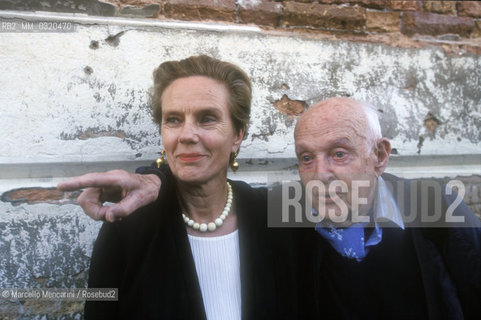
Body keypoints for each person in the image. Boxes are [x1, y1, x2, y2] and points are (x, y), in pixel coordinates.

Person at [60, 96, 481, 319]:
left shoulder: (434, 207)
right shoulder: (295, 211)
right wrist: (156, 179)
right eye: (305, 158)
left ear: (380, 155)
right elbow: (215, 190)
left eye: (339, 154)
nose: (321, 174)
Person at [68, 55, 312, 319]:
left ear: (238, 134)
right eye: (173, 119)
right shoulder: (128, 229)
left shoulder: (275, 210)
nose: (186, 135)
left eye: (207, 118)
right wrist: (155, 177)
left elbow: (354, 201)